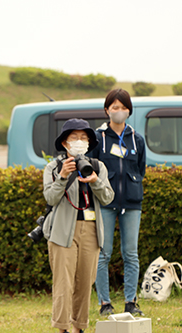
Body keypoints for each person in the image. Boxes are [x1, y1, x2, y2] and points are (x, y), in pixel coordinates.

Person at [42, 118, 114, 333]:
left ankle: (79, 327)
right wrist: (63, 176)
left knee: (85, 282)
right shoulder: (53, 167)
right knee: (64, 283)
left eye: (84, 138)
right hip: (63, 230)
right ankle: (63, 328)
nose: (79, 142)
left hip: (91, 230)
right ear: (65, 143)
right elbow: (50, 198)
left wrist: (95, 181)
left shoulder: (98, 166)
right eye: (74, 138)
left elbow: (108, 198)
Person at [88, 88, 146, 316]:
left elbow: (140, 169)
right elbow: (92, 167)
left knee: (131, 253)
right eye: (114, 107)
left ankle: (131, 301)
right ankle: (105, 303)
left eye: (123, 107)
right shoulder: (99, 138)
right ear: (106, 110)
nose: (119, 111)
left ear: (129, 111)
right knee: (103, 253)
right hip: (104, 202)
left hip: (132, 202)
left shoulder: (136, 139)